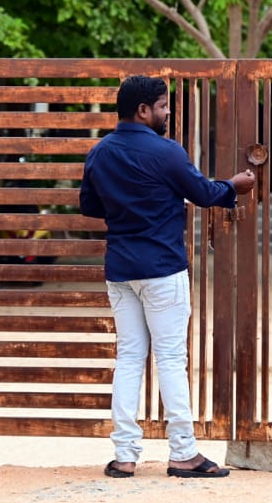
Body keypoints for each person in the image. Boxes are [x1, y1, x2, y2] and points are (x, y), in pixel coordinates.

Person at [80, 75, 255, 479]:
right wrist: (236, 184)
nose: (167, 112)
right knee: (171, 359)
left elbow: (90, 206)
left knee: (128, 358)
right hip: (162, 269)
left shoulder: (100, 152)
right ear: (143, 110)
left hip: (121, 270)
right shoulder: (167, 152)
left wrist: (128, 208)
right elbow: (206, 194)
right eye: (162, 106)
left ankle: (124, 456)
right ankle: (184, 453)